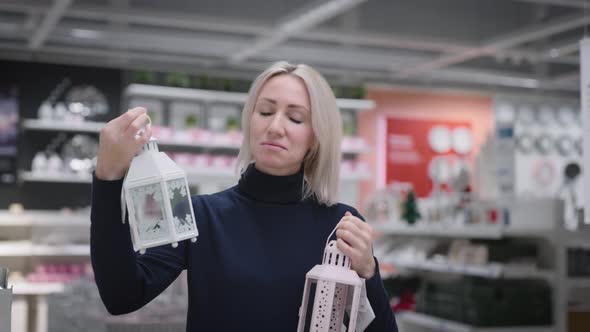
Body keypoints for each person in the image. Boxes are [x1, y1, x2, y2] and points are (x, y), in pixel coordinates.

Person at [91, 61, 398, 331]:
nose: (275, 126)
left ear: (316, 137)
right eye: (265, 111)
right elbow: (122, 295)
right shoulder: (200, 215)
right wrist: (107, 178)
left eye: (295, 118)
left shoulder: (340, 226)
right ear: (250, 120)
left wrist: (368, 273)